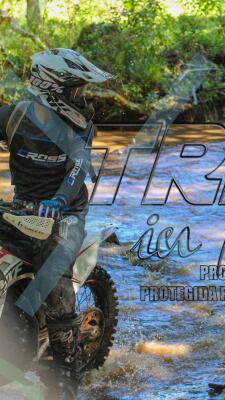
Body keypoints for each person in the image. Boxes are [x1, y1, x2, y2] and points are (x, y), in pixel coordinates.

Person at [0, 48, 113, 399]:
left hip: (64, 214)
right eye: (76, 90)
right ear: (52, 89)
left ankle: (65, 375)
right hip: (20, 209)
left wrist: (60, 201)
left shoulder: (79, 126)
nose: (81, 97)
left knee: (53, 277)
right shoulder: (13, 116)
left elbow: (77, 169)